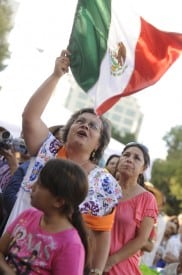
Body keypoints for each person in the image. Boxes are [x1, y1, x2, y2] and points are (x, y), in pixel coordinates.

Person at [6, 50, 121, 274]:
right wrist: (56, 76)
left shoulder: (106, 184)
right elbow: (30, 117)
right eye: (80, 121)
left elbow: (102, 232)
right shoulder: (48, 149)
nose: (85, 126)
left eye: (93, 126)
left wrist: (97, 271)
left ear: (99, 144)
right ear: (68, 131)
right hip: (14, 249)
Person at [0, 158, 90, 274]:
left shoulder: (71, 245)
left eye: (40, 184)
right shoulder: (27, 216)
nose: (32, 186)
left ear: (58, 201)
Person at [104, 142, 158, 275]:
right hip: (93, 262)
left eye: (136, 158)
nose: (129, 159)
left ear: (143, 168)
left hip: (122, 268)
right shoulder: (105, 189)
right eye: (126, 155)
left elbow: (142, 240)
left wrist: (110, 261)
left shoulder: (147, 199)